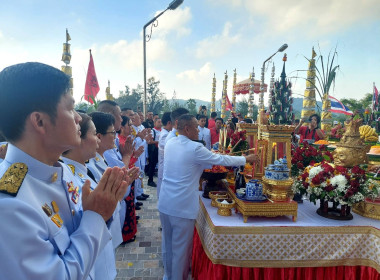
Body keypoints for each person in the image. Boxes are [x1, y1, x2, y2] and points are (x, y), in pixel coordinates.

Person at [0, 62, 134, 279]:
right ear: (40, 121)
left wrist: (103, 211)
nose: (79, 117)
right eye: (71, 108)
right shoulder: (9, 205)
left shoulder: (63, 170)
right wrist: (97, 215)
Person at [158, 114, 259, 280]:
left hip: (165, 203)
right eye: (196, 127)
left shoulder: (171, 142)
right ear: (187, 129)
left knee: (168, 246)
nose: (199, 130)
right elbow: (220, 159)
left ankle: (167, 276)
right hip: (181, 207)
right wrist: (245, 158)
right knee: (180, 252)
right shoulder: (194, 148)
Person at [157, 112, 172, 197]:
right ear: (169, 123)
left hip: (166, 167)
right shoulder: (165, 135)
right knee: (163, 193)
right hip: (164, 167)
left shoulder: (167, 133)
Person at [147, 118, 161, 187]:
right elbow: (150, 142)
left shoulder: (162, 131)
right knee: (152, 165)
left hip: (160, 150)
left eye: (161, 122)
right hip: (155, 150)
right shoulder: (153, 131)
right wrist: (159, 142)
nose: (160, 123)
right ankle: (150, 180)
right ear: (155, 123)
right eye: (158, 122)